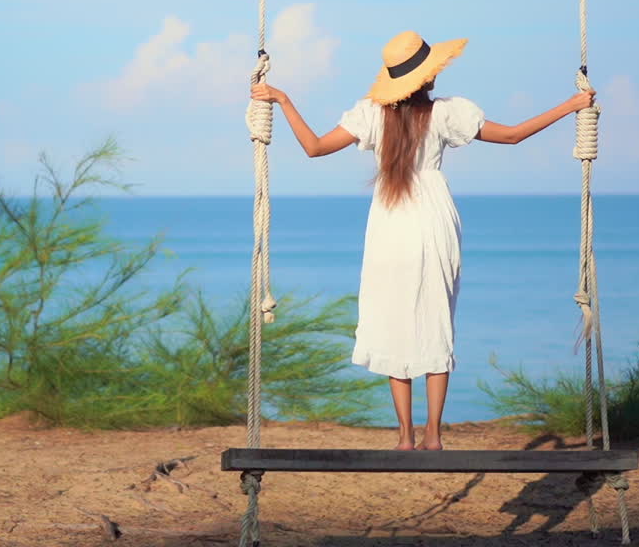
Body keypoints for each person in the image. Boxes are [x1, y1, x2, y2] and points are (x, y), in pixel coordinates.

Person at [250, 30, 595, 451]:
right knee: (435, 317)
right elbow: (513, 135)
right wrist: (571, 106)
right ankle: (433, 433)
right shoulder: (446, 113)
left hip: (390, 223)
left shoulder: (370, 114)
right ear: (428, 76)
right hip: (433, 219)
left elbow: (315, 147)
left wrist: (284, 100)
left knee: (392, 319)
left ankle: (404, 436)